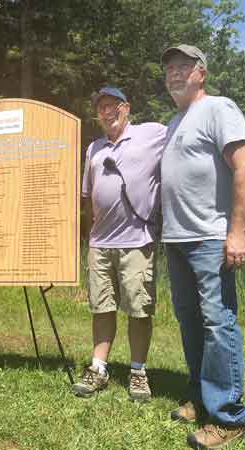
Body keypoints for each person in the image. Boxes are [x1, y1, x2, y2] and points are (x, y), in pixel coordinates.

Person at [160, 44, 245, 449]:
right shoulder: (173, 122)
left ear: (202, 72)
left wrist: (237, 232)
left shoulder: (219, 108)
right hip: (177, 239)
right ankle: (201, 396)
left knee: (219, 324)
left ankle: (230, 418)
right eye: (169, 68)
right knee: (191, 322)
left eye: (184, 66)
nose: (175, 73)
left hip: (211, 237)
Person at [71, 87, 166, 401]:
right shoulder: (94, 149)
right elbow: (88, 196)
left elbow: (183, 137)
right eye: (101, 108)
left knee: (139, 309)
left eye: (112, 106)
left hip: (137, 241)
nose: (107, 112)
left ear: (126, 108)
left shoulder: (151, 134)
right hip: (100, 243)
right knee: (102, 306)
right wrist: (89, 236)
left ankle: (138, 371)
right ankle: (98, 368)